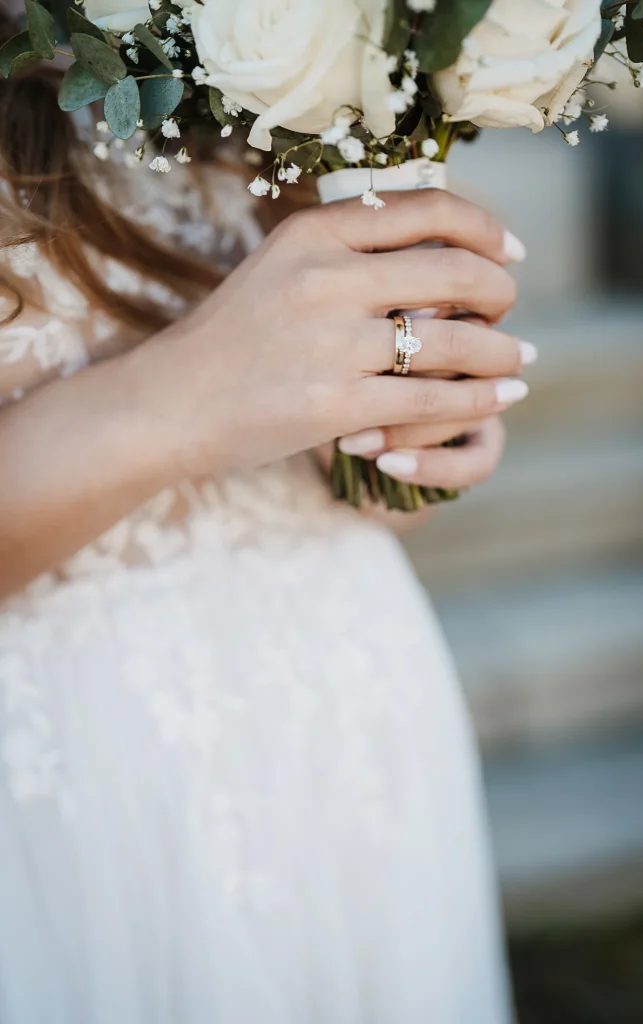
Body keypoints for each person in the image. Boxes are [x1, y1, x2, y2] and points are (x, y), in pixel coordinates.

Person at [0, 16, 532, 1021]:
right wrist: (191, 394)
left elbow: (355, 489)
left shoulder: (226, 35)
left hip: (346, 710)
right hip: (69, 796)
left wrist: (405, 418)